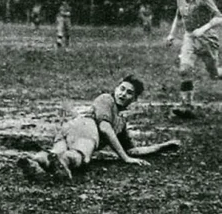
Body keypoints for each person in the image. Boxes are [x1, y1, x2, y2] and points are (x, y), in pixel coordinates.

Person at [17, 75, 181, 180]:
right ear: (115, 89)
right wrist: (125, 159)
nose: (123, 94)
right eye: (121, 89)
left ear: (135, 99)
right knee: (82, 155)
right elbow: (104, 128)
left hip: (69, 130)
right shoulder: (106, 100)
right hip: (85, 126)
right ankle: (62, 163)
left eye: (129, 93)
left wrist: (162, 147)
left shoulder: (121, 121)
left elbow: (133, 150)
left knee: (56, 152)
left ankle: (36, 162)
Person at [166, 0, 222, 119]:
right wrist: (172, 34)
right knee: (184, 69)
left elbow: (218, 18)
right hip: (189, 37)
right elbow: (178, 17)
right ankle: (186, 106)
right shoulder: (180, 0)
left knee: (215, 74)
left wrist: (203, 29)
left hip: (208, 39)